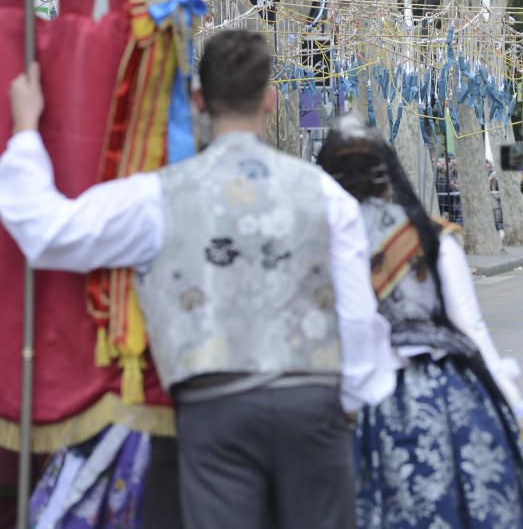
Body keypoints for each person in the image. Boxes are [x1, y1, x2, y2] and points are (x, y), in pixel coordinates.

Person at [0, 30, 396, 529]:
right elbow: (358, 314)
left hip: (215, 407)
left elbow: (49, 233)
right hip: (311, 401)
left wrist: (26, 133)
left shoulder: (158, 196)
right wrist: (349, 400)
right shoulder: (324, 194)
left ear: (198, 101)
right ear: (270, 100)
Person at [316, 115, 523, 529]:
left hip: (334, 403)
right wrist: (508, 402)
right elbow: (470, 329)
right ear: (387, 178)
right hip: (432, 395)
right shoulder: (430, 236)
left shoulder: (313, 241)